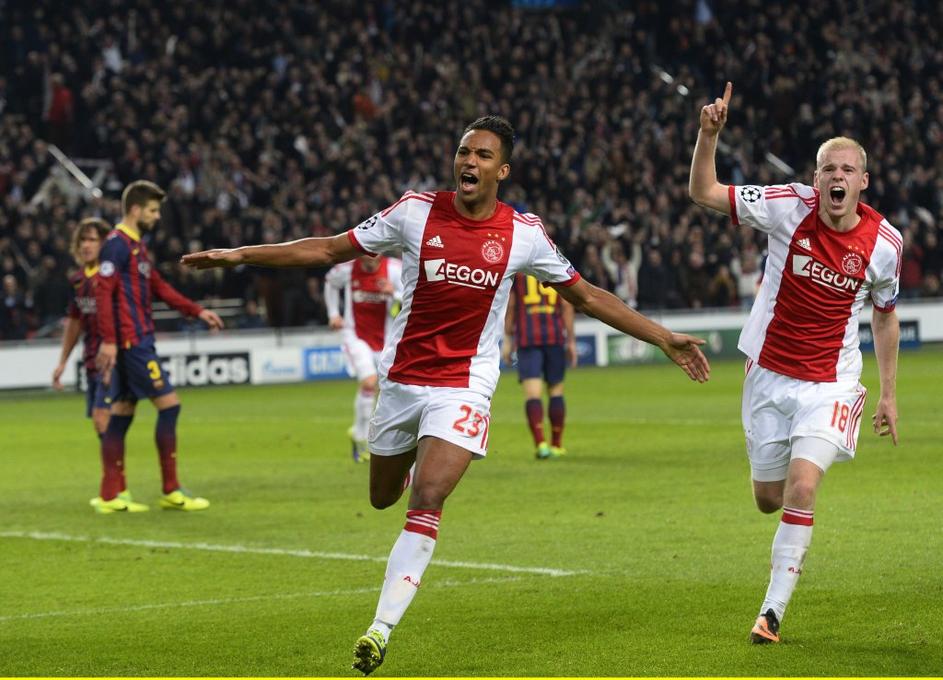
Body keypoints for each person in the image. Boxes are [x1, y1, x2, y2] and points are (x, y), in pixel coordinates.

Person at [182, 115, 710, 674]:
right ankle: (414, 457)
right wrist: (240, 254)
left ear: (502, 171)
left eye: (483, 155)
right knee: (382, 496)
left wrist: (661, 337)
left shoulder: (524, 233)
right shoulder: (414, 211)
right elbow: (329, 250)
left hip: (465, 384)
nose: (469, 162)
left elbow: (588, 296)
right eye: (463, 152)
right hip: (402, 381)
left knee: (428, 494)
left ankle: (380, 629)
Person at [689, 83, 901, 644]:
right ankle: (787, 521)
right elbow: (704, 191)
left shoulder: (885, 245)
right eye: (828, 168)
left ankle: (771, 613)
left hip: (832, 385)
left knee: (802, 487)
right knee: (769, 499)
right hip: (768, 375)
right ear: (816, 178)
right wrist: (708, 135)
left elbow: (885, 317)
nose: (837, 176)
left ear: (863, 181)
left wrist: (887, 393)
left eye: (848, 169)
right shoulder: (787, 206)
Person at [93, 180, 224, 514]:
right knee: (169, 406)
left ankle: (110, 495)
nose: (157, 216)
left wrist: (196, 311)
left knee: (122, 414)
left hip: (134, 341)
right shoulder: (116, 245)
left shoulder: (136, 246)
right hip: (132, 342)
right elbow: (102, 293)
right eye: (152, 210)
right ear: (135, 209)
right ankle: (171, 489)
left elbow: (159, 287)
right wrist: (109, 340)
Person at [325, 255, 404, 462]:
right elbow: (330, 282)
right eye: (366, 251)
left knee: (387, 390)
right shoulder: (347, 268)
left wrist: (394, 293)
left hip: (388, 340)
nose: (370, 256)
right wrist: (333, 313)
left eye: (374, 251)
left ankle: (362, 434)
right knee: (369, 382)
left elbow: (415, 297)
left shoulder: (395, 269)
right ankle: (363, 438)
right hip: (355, 336)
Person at [501, 273, 577, 459]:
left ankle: (540, 444)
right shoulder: (556, 268)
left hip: (528, 339)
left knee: (533, 393)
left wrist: (508, 339)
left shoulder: (520, 273)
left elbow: (511, 305)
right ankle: (556, 445)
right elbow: (567, 306)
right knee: (556, 391)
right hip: (554, 336)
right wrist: (571, 341)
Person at [52, 218, 112, 440]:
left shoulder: (111, 277)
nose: (86, 245)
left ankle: (114, 467)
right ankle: (115, 462)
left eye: (92, 240)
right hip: (91, 360)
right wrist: (62, 362)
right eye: (82, 240)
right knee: (102, 425)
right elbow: (74, 323)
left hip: (112, 359)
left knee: (102, 419)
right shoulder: (77, 280)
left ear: (103, 244)